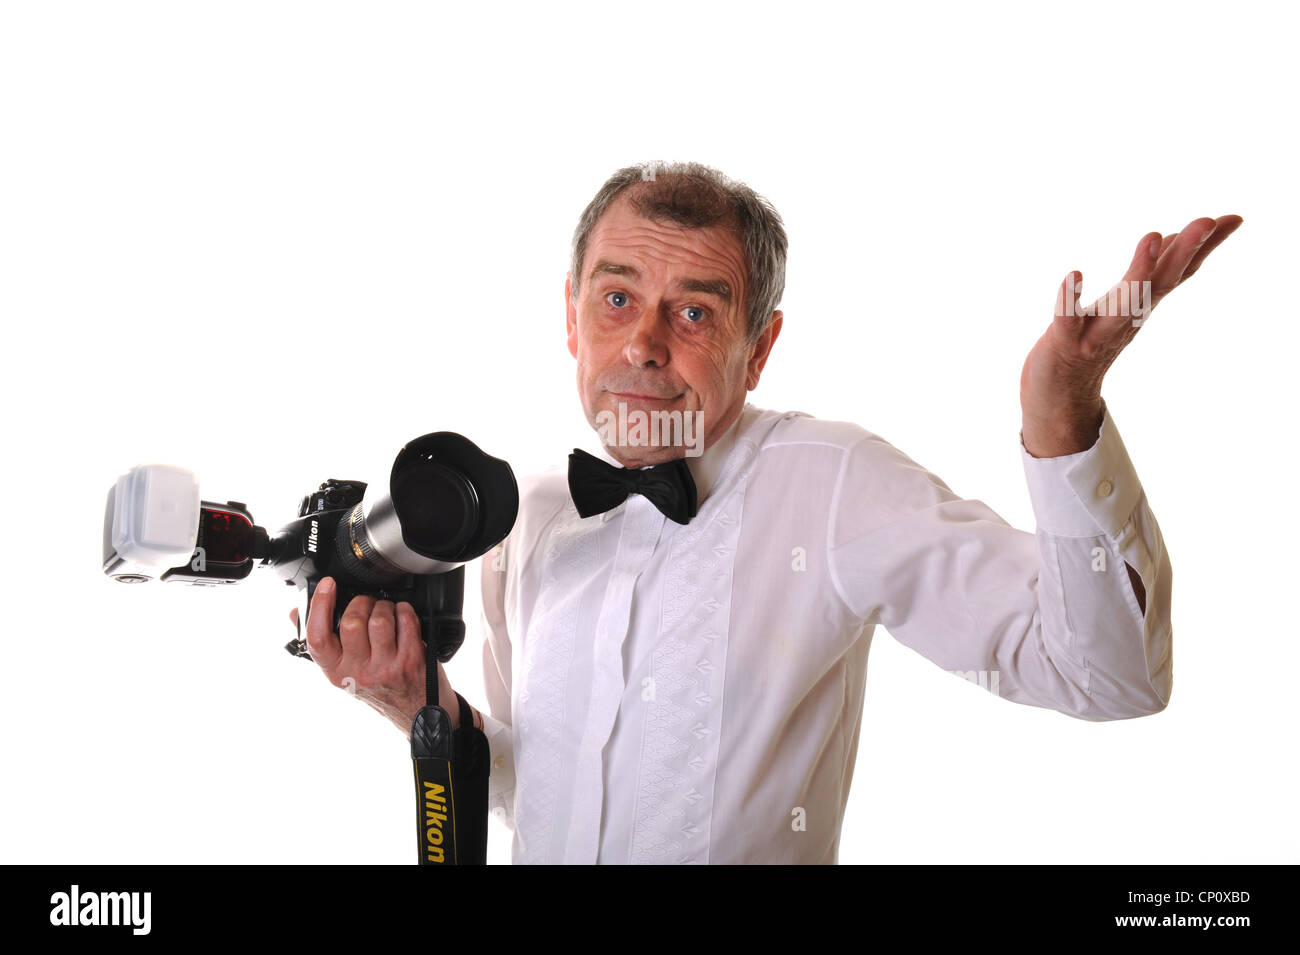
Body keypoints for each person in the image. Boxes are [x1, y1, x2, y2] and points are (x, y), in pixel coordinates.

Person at [294, 161, 1242, 864]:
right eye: (617, 298)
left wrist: (1063, 412)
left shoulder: (833, 481)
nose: (646, 346)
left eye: (696, 313)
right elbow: (539, 788)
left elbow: (1111, 678)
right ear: (571, 318)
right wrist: (417, 707)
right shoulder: (527, 507)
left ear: (760, 347)